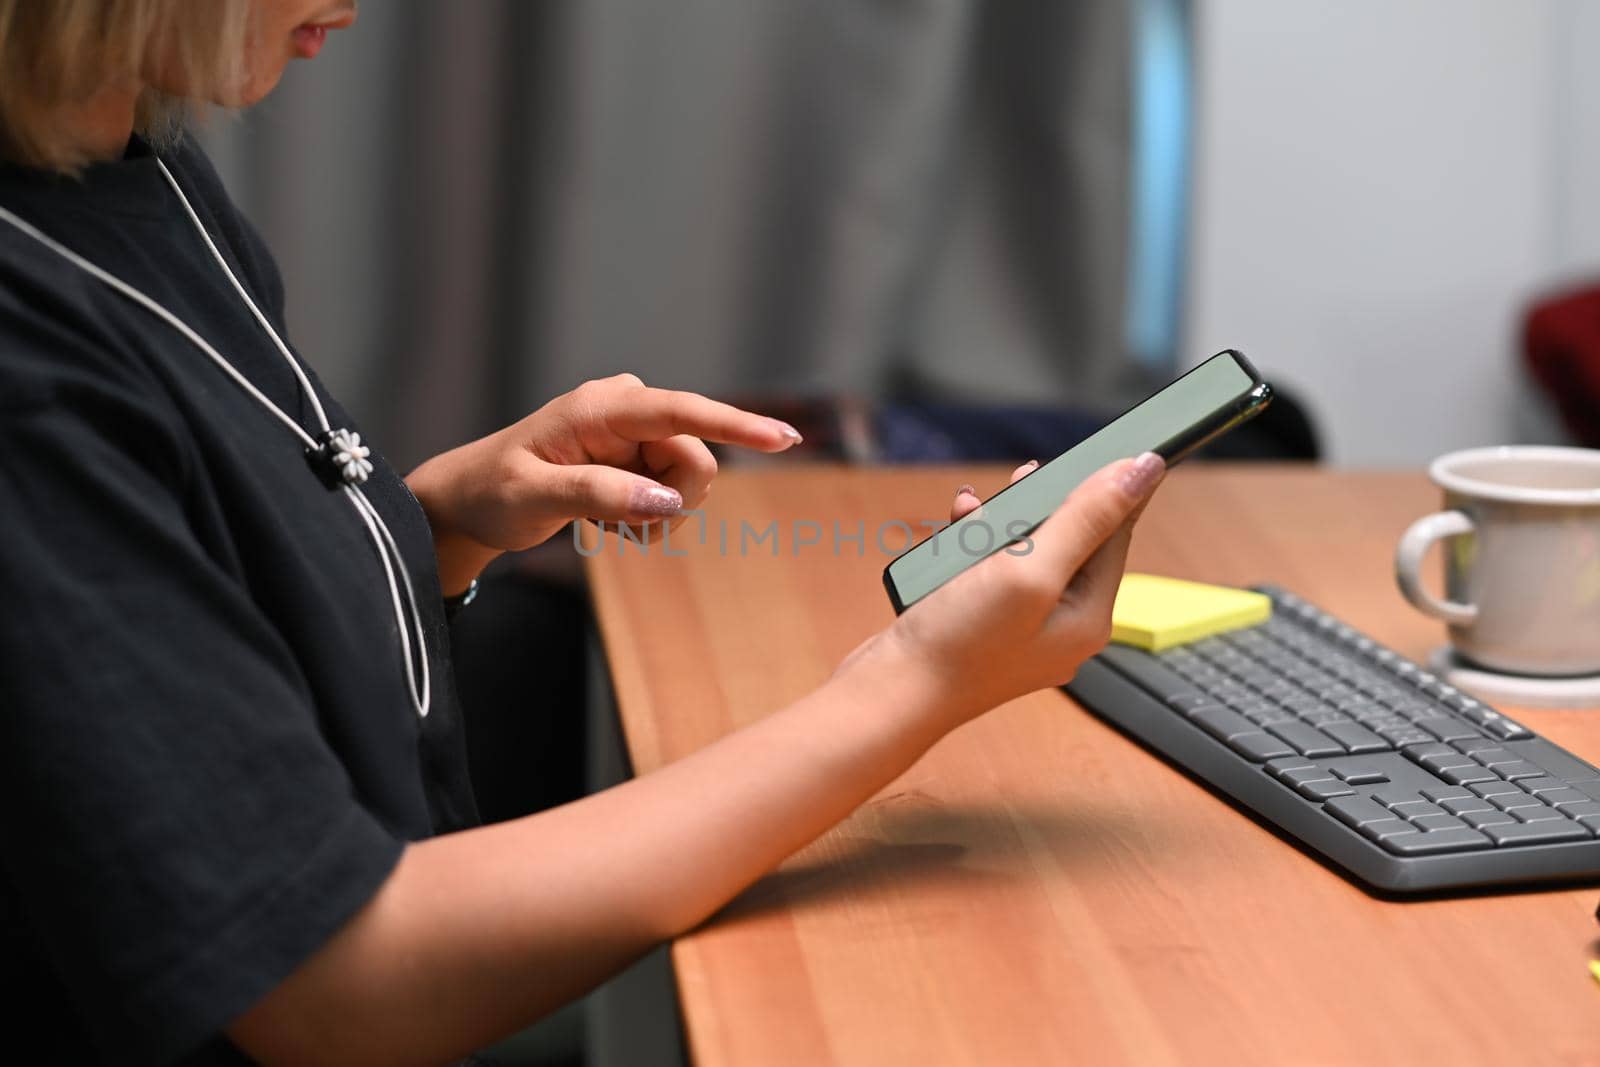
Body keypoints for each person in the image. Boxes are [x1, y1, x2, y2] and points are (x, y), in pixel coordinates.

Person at [0, 2, 1165, 1064]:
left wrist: (436, 523)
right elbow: (332, 983)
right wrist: (910, 684)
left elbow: (193, 618)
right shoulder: (28, 361)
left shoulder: (132, 161)